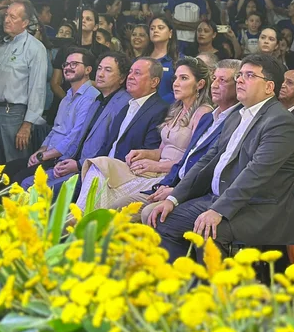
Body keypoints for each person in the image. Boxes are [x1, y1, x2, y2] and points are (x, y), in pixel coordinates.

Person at [148, 54, 294, 260]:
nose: (239, 80)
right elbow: (206, 162)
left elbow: (255, 174)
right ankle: (182, 284)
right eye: (240, 75)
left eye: (249, 75)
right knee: (161, 219)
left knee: (207, 230)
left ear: (269, 87)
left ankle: (217, 289)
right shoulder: (236, 115)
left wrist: (218, 211)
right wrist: (174, 198)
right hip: (219, 198)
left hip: (257, 208)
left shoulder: (280, 122)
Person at [75, 57, 211, 210]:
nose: (176, 83)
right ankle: (81, 218)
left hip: (169, 176)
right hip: (155, 169)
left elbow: (193, 162)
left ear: (200, 84)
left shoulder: (203, 113)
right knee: (99, 165)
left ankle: (81, 222)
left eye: (184, 78)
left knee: (112, 192)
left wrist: (157, 166)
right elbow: (161, 150)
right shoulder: (175, 110)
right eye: (175, 78)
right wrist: (143, 153)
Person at [139, 59, 242, 223]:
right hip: (173, 181)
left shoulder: (233, 120)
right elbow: (188, 159)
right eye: (214, 78)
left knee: (147, 213)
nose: (214, 85)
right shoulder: (209, 118)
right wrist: (165, 184)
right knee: (116, 196)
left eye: (222, 80)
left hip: (195, 192)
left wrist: (175, 192)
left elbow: (207, 167)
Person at [34, 52, 132, 192]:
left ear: (122, 78)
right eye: (99, 68)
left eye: (108, 70)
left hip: (91, 170)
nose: (101, 74)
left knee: (35, 190)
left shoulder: (122, 103)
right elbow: (78, 138)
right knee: (26, 183)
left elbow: (108, 145)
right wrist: (63, 161)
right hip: (72, 162)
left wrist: (79, 165)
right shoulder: (98, 101)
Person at [5, 47, 100, 184]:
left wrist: (44, 155)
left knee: (18, 180)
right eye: (66, 64)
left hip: (61, 159)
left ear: (88, 70)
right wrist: (40, 152)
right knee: (7, 169)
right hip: (48, 155)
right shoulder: (67, 97)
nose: (68, 68)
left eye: (74, 64)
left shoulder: (90, 98)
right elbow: (55, 130)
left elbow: (75, 137)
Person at [0, 2, 49, 165]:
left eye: (13, 17)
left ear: (25, 23)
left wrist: (27, 125)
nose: (6, 20)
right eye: (6, 15)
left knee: (14, 164)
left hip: (13, 114)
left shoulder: (35, 48)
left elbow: (37, 88)